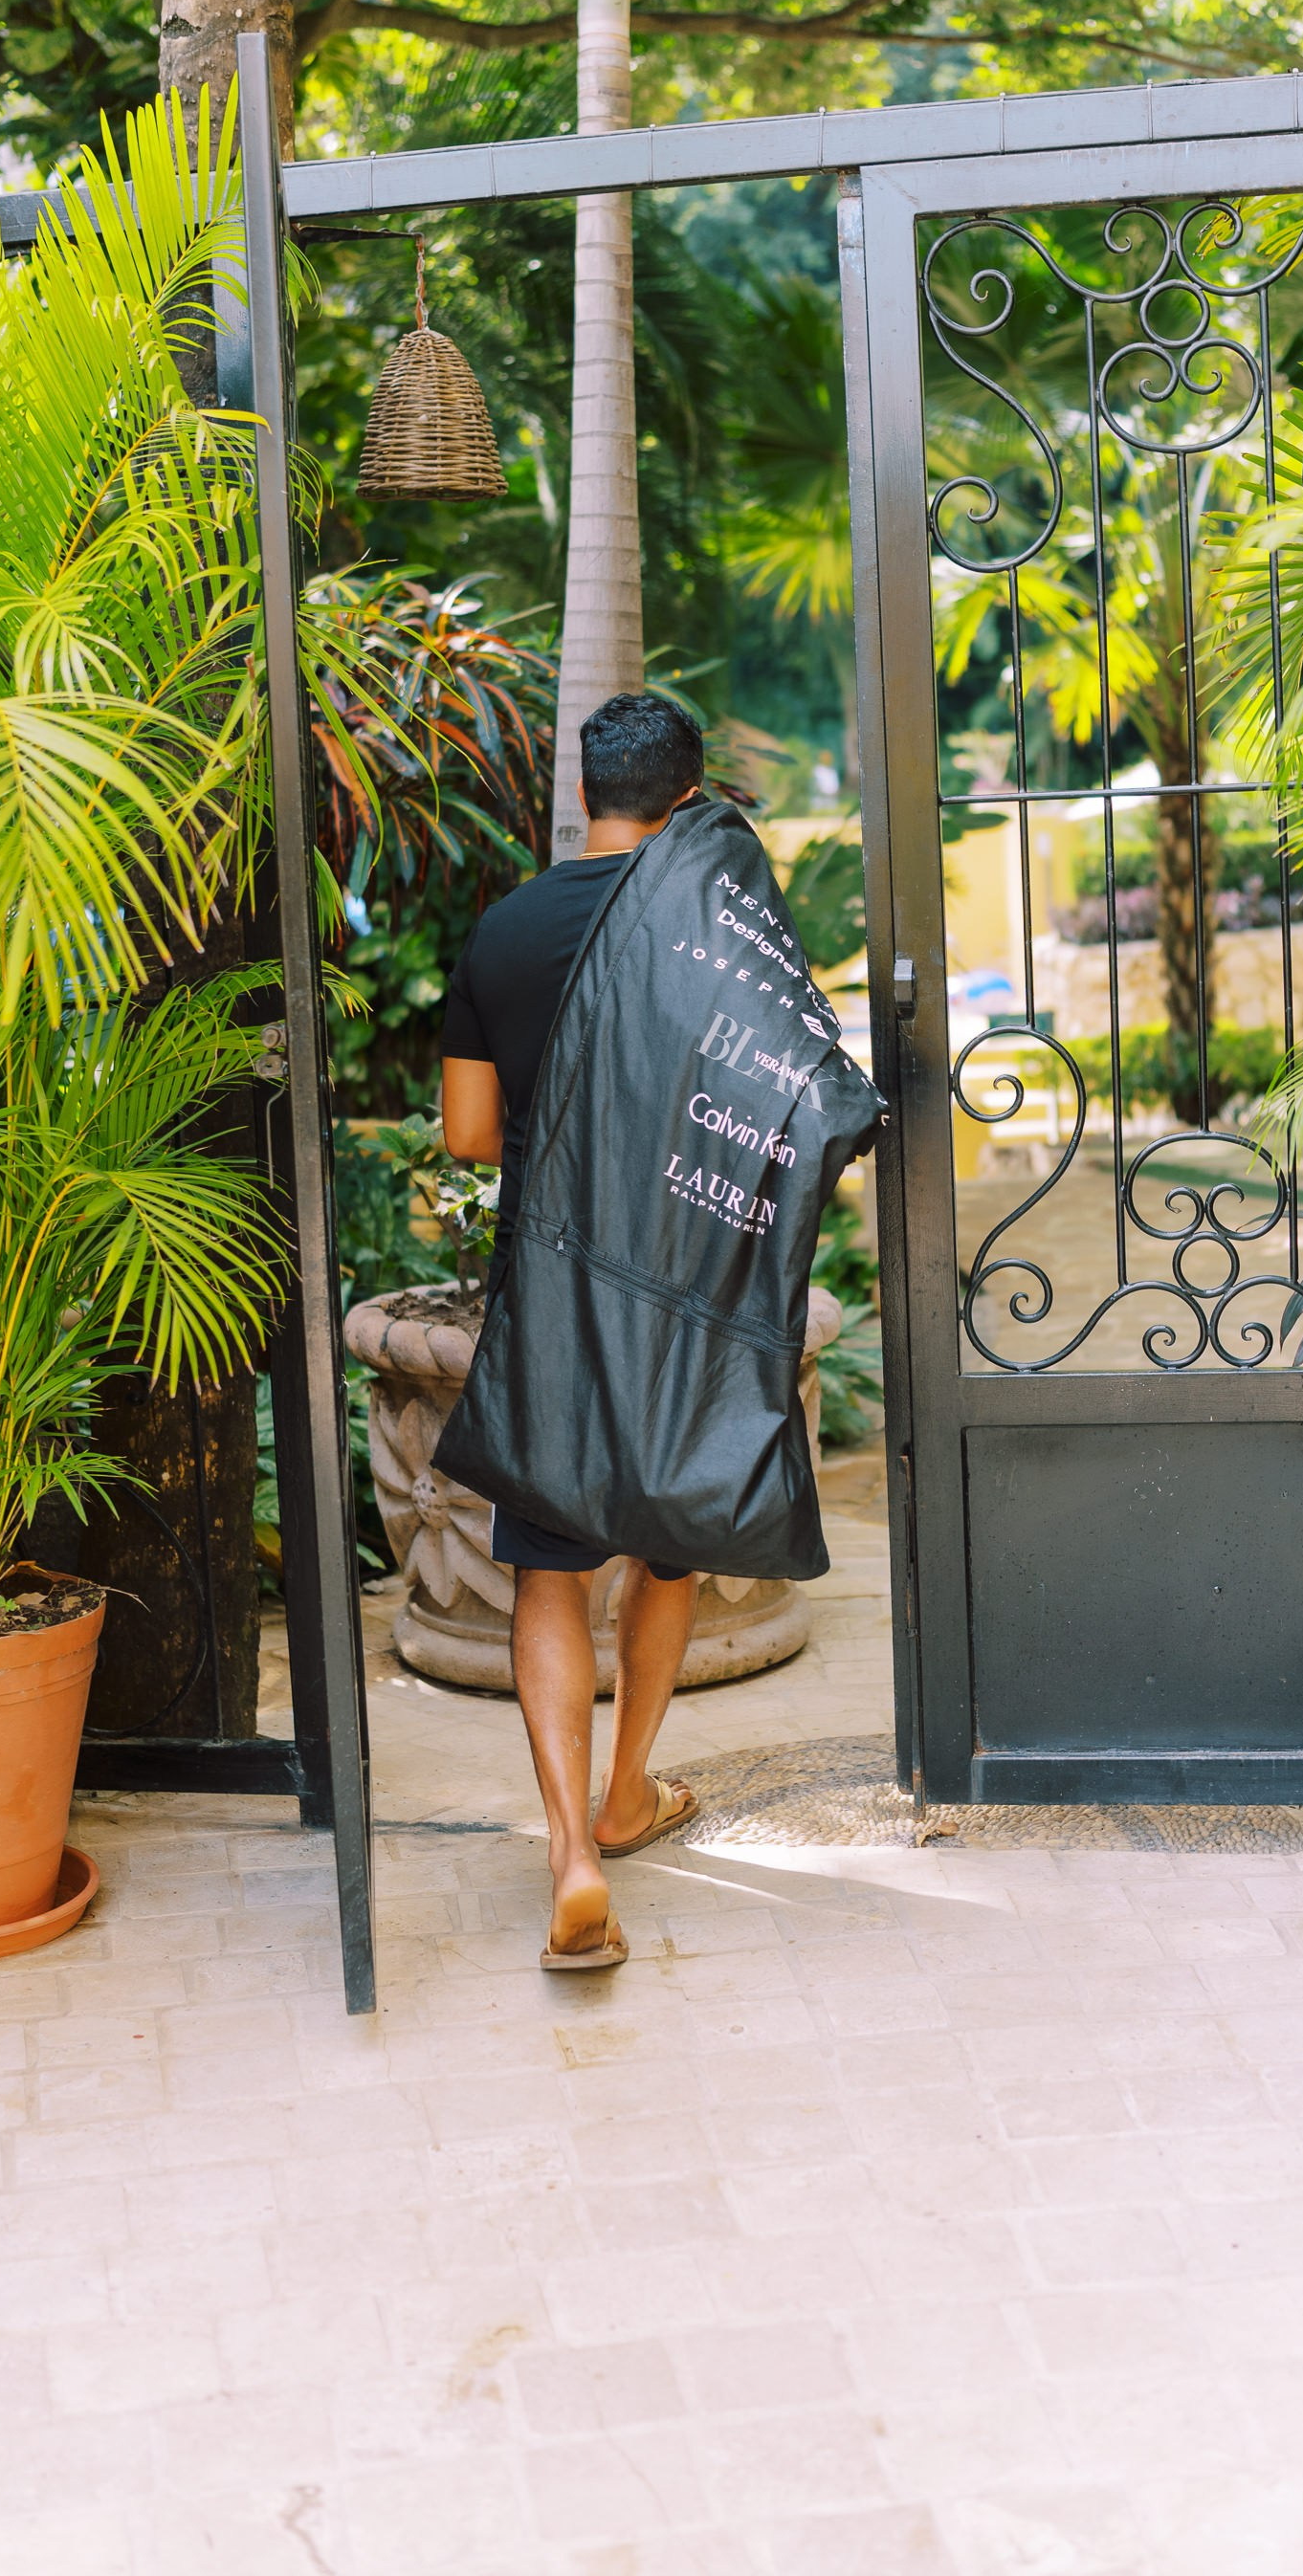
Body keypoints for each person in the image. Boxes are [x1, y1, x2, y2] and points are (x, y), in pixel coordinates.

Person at [440, 690, 708, 1972]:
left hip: (550, 1286)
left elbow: (468, 1136)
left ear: (583, 794)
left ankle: (573, 1855)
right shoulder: (709, 928)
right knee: (665, 1554)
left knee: (549, 1573)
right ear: (691, 804)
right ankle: (631, 1791)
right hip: (678, 1285)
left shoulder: (502, 929)